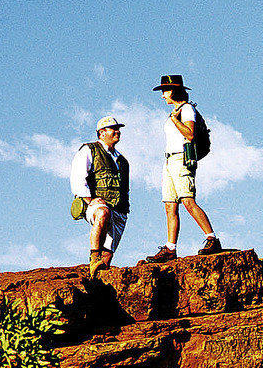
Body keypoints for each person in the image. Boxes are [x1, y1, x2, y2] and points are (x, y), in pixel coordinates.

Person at [142, 75, 221, 263]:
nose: (163, 96)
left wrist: (175, 120)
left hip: (181, 158)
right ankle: (170, 248)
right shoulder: (177, 111)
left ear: (174, 91)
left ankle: (212, 238)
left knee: (187, 201)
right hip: (169, 160)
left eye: (165, 91)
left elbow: (190, 134)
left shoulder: (187, 109)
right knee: (170, 205)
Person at [70, 116, 129, 276]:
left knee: (108, 255)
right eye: (113, 129)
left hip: (120, 210)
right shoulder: (89, 150)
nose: (117, 132)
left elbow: (125, 188)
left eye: (118, 129)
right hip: (97, 204)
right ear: (102, 133)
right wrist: (89, 200)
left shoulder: (123, 160)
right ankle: (94, 256)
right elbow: (78, 176)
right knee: (102, 213)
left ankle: (97, 278)